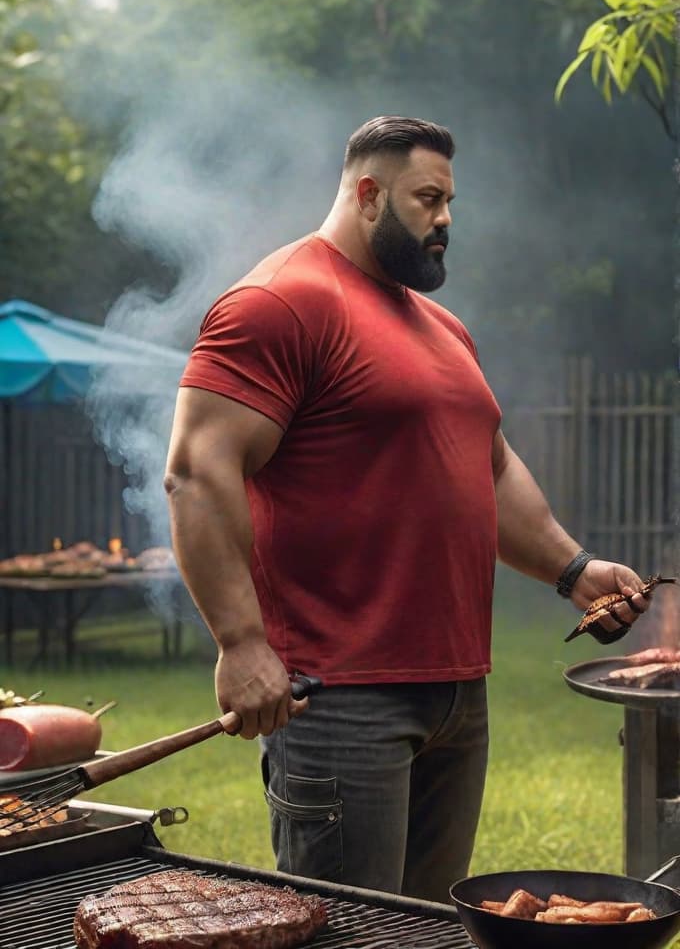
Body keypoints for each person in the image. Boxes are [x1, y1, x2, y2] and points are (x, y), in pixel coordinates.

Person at [164, 115, 652, 904]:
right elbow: (196, 470)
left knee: (427, 926)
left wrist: (573, 569)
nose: (446, 219)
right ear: (367, 194)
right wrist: (242, 643)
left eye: (450, 200)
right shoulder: (280, 302)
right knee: (355, 928)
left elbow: (488, 470)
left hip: (458, 690)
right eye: (428, 199)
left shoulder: (442, 328)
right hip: (340, 694)